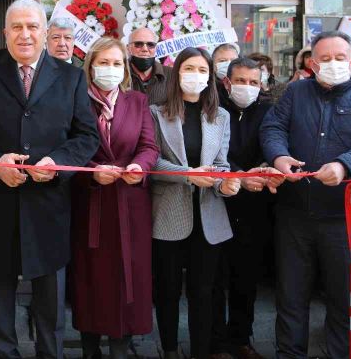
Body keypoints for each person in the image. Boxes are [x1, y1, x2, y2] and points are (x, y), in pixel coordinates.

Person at [0, 0, 100, 359]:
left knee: (50, 302)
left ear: (45, 32)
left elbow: (87, 136)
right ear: (5, 33)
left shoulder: (72, 77)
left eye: (32, 26)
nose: (25, 34)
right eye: (16, 27)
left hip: (48, 206)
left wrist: (58, 162)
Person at [260, 31, 351, 358]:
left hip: (343, 220)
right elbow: (272, 128)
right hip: (294, 215)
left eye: (339, 58)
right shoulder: (294, 93)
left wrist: (345, 165)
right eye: (324, 58)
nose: (332, 64)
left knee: (342, 298)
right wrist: (278, 157)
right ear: (312, 64)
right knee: (291, 298)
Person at [69, 37, 159, 359]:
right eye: (104, 63)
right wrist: (91, 171)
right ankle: (89, 348)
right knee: (91, 281)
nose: (110, 69)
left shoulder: (137, 102)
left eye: (117, 63)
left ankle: (121, 347)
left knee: (127, 278)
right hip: (90, 204)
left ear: (125, 68)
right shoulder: (76, 100)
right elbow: (67, 147)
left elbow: (149, 146)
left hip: (129, 204)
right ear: (91, 66)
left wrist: (139, 165)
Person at [148, 47, 240, 359]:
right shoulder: (156, 113)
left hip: (209, 215)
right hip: (169, 213)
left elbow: (222, 164)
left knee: (204, 291)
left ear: (210, 76)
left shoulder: (221, 116)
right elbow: (153, 164)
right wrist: (188, 175)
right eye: (189, 69)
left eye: (202, 70)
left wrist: (225, 183)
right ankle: (170, 349)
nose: (196, 76)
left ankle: (201, 350)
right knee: (168, 290)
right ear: (177, 73)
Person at [211, 58, 281, 359]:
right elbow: (215, 151)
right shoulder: (214, 110)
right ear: (227, 82)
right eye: (241, 81)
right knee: (214, 277)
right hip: (217, 200)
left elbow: (275, 144)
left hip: (254, 206)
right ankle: (212, 341)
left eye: (254, 83)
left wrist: (264, 169)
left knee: (246, 277)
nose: (247, 88)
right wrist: (240, 174)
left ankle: (241, 338)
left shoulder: (268, 112)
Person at [126, 27, 170, 105]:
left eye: (150, 45)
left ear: (156, 48)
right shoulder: (119, 74)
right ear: (128, 48)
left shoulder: (171, 74)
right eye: (138, 44)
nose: (145, 49)